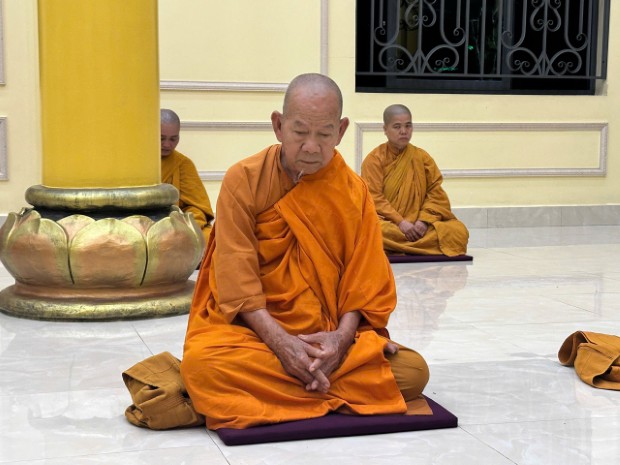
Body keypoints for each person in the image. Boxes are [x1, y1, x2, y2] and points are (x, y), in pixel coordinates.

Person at [180, 74, 429, 430]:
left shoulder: (353, 191)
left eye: (324, 134)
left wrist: (340, 342)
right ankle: (324, 387)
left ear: (340, 131)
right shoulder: (243, 180)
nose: (311, 147)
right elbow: (237, 281)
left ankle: (282, 391)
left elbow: (363, 281)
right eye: (300, 132)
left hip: (329, 338)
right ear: (278, 126)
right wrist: (282, 345)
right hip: (256, 334)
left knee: (414, 371)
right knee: (202, 368)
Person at [361, 104, 469, 256]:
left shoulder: (421, 157)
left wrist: (423, 221)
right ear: (385, 129)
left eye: (408, 126)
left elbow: (436, 193)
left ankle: (397, 245)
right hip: (390, 223)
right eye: (397, 127)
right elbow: (374, 198)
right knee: (370, 228)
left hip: (419, 224)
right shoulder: (374, 159)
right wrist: (401, 222)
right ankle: (416, 244)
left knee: (458, 231)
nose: (403, 131)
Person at [160, 109, 214, 245]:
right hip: (138, 225)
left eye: (173, 139)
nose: (167, 144)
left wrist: (185, 226)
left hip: (175, 226)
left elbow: (198, 207)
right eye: (161, 138)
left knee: (212, 239)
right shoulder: (136, 161)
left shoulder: (182, 164)